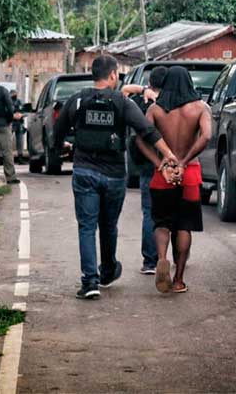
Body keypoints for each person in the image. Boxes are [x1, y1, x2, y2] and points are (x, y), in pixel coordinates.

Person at [54, 55, 178, 300]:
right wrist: (169, 155)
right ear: (112, 75)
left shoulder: (77, 100)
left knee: (87, 227)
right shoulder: (122, 102)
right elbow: (147, 130)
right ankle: (108, 270)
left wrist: (66, 146)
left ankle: (90, 282)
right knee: (108, 226)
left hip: (84, 171)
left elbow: (58, 134)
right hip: (113, 176)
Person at [136, 66, 212, 294]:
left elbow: (140, 139)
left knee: (161, 222)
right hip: (189, 173)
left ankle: (161, 259)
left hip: (164, 174)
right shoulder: (201, 108)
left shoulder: (156, 110)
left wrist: (160, 163)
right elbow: (207, 136)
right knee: (184, 225)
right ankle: (178, 279)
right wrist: (185, 160)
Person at [127, 66, 168, 275]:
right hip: (171, 163)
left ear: (150, 83)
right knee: (171, 213)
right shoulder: (176, 103)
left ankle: (150, 261)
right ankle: (171, 257)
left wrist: (143, 90)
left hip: (147, 164)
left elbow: (123, 91)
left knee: (149, 211)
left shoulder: (141, 102)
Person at [10, 90, 25, 164]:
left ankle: (20, 157)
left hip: (19, 123)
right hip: (11, 122)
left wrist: (21, 115)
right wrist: (13, 116)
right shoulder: (9, 102)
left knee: (20, 141)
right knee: (7, 140)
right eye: (13, 94)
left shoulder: (19, 101)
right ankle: (3, 158)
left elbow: (24, 111)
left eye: (15, 93)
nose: (14, 95)